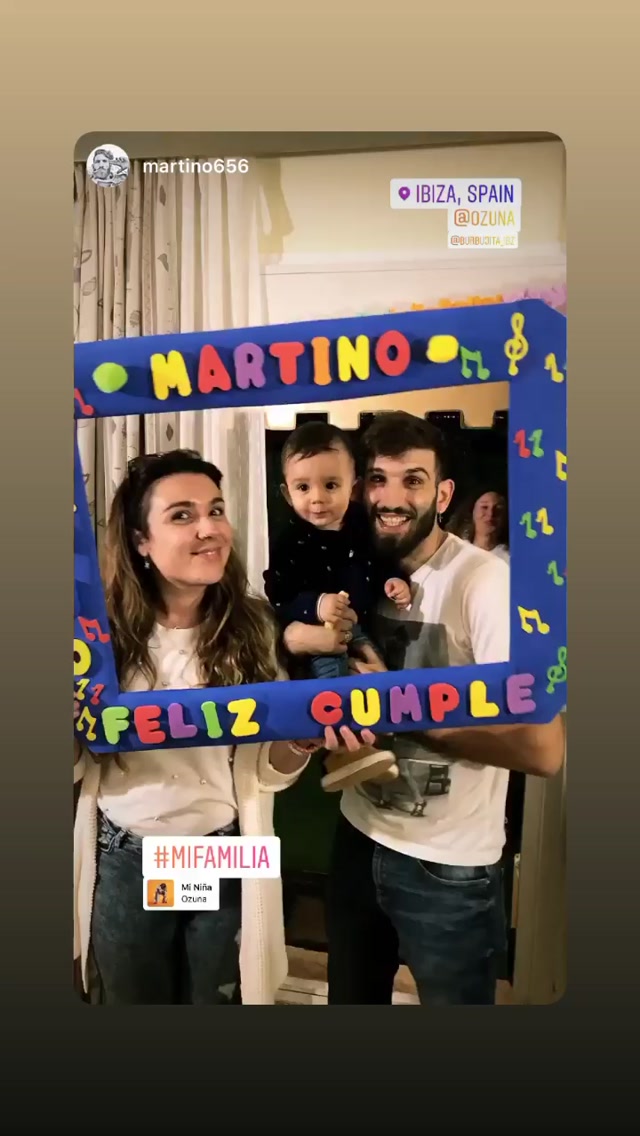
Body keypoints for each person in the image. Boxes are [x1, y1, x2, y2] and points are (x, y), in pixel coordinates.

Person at [283, 412, 565, 1005]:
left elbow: (543, 750)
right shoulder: (350, 562)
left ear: (442, 494)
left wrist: (400, 709)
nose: (391, 499)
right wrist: (297, 641)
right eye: (377, 479)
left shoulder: (485, 583)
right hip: (358, 834)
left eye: (412, 480)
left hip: (449, 866)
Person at [73, 447, 366, 1005]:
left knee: (218, 999)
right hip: (129, 851)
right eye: (181, 515)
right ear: (141, 541)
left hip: (220, 848)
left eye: (215, 510)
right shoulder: (97, 637)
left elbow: (269, 774)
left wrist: (302, 739)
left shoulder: (254, 627)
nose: (208, 529)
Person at [263, 421, 411, 792]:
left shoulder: (362, 525)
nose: (317, 499)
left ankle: (367, 745)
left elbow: (381, 562)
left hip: (357, 627)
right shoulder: (289, 540)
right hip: (318, 635)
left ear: (353, 487)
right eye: (303, 487)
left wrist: (394, 581)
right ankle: (339, 752)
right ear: (286, 493)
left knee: (377, 674)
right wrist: (316, 605)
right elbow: (279, 594)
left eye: (330, 485)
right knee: (333, 680)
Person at [448, 485, 510, 562]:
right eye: (484, 507)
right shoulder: (454, 550)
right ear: (473, 511)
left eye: (498, 509)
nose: (490, 514)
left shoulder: (509, 558)